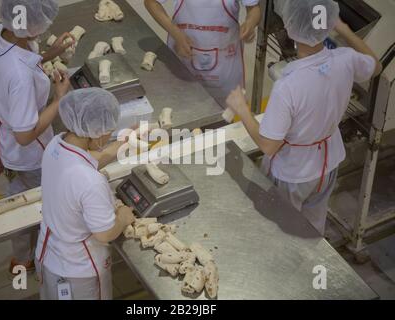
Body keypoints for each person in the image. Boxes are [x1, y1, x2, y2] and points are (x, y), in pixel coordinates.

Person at [226, 0, 382, 236]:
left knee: (283, 230)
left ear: (290, 28)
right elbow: (376, 65)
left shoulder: (289, 85)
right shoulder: (346, 58)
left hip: (294, 172)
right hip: (327, 166)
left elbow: (268, 145)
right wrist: (344, 30)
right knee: (311, 229)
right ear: (328, 24)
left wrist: (242, 108)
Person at [0, 0, 75, 275]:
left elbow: (19, 58)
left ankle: (21, 259)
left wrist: (49, 54)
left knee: (18, 195)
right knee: (39, 203)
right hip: (28, 153)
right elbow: (24, 135)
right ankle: (43, 259)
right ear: (34, 27)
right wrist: (58, 100)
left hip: (3, 137)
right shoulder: (21, 77)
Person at [35, 88, 136, 300]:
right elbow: (104, 234)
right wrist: (123, 218)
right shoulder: (90, 182)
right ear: (95, 132)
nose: (110, 135)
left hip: (49, 254)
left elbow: (91, 160)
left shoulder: (56, 145)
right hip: (78, 272)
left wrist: (126, 142)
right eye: (109, 130)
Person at [144, 0, 261, 108]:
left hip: (225, 66)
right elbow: (151, 2)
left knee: (222, 120)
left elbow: (254, 9)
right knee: (183, 114)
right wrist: (176, 33)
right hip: (184, 61)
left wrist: (250, 24)